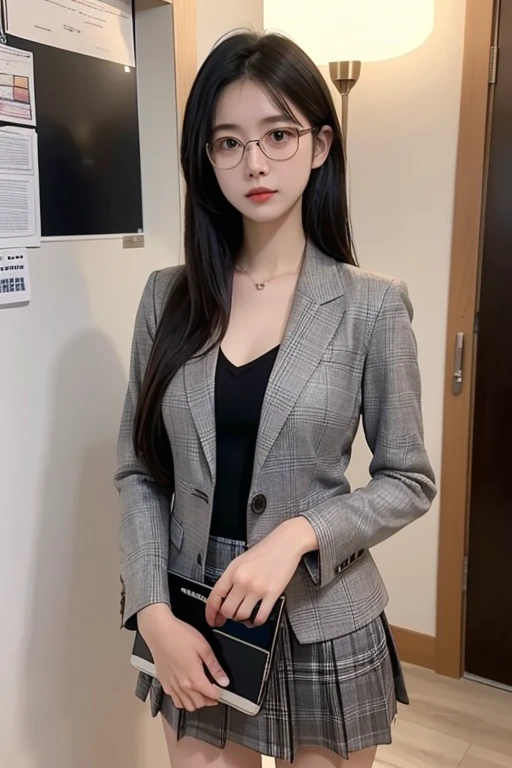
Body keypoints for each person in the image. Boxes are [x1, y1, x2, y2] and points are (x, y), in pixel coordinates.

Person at [114, 31, 436, 768]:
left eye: (278, 135)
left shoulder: (372, 305)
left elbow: (408, 479)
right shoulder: (167, 298)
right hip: (192, 614)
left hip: (320, 617)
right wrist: (152, 610)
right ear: (206, 158)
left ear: (320, 144)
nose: (254, 163)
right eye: (228, 142)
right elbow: (139, 472)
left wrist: (297, 535)